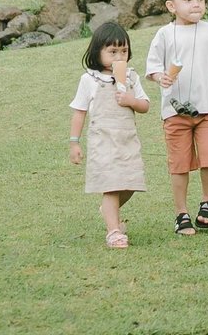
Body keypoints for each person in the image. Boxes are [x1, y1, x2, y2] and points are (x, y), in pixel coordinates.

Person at [145, 0, 208, 236]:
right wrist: (159, 76)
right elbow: (152, 68)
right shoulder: (164, 34)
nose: (196, 4)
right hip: (175, 112)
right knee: (179, 162)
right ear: (171, 6)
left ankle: (207, 203)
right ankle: (181, 213)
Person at [68, 21, 151, 249]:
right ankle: (114, 232)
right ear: (98, 52)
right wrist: (74, 142)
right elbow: (79, 112)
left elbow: (145, 105)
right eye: (112, 52)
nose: (118, 57)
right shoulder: (89, 80)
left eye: (123, 51)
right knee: (112, 185)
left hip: (127, 140)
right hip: (102, 141)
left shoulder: (132, 77)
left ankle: (108, 209)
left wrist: (131, 101)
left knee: (131, 182)